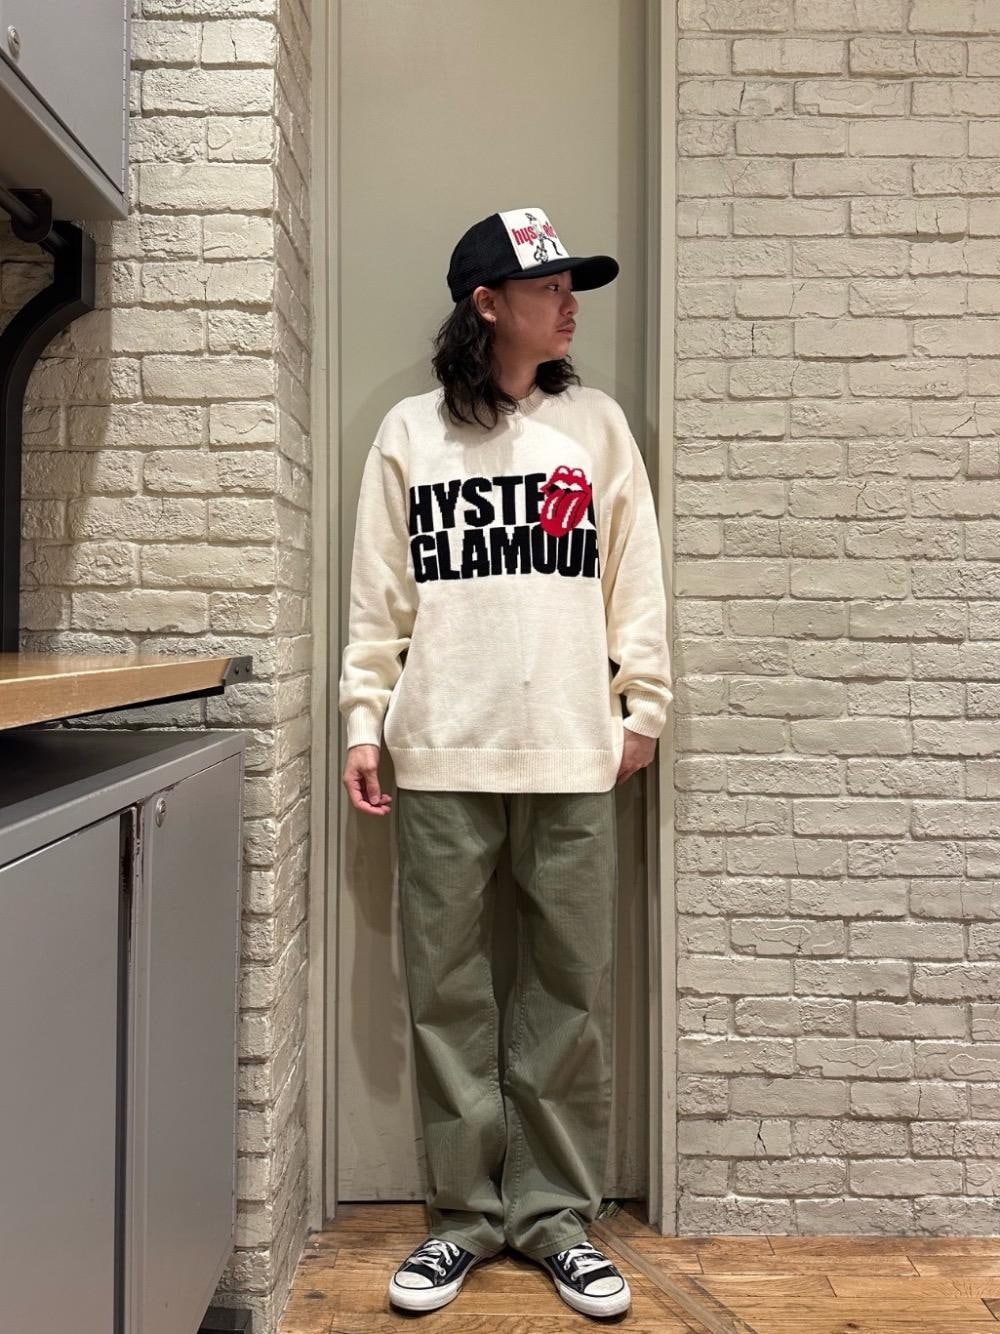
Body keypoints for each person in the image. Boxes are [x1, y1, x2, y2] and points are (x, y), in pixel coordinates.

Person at [338, 205, 672, 1320]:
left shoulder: (597, 426)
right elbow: (378, 597)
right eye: (549, 287)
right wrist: (362, 719)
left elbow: (635, 575)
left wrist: (643, 704)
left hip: (575, 751)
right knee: (445, 993)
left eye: (573, 287)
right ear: (487, 303)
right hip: (439, 749)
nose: (570, 305)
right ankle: (464, 1219)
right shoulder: (411, 433)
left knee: (569, 990)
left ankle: (556, 1217)